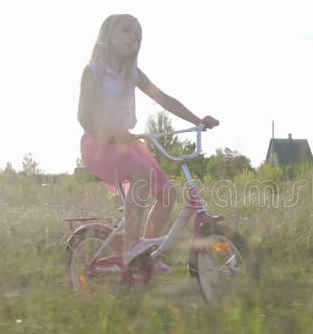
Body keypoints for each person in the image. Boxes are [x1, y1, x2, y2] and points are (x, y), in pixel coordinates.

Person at [78, 14, 218, 274]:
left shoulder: (133, 74)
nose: (134, 37)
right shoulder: (94, 72)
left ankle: (145, 256)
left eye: (138, 35)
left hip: (126, 143)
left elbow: (165, 99)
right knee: (141, 173)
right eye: (127, 31)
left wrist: (198, 120)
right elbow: (83, 116)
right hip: (98, 144)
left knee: (168, 194)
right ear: (107, 35)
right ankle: (131, 244)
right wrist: (110, 133)